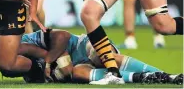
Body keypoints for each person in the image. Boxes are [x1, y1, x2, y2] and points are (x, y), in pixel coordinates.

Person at [20, 29, 183, 85]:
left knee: (99, 56)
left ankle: (168, 76)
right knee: (78, 74)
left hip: (83, 45)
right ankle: (146, 77)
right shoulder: (25, 70)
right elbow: (67, 71)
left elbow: (62, 36)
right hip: (78, 65)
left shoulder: (27, 40)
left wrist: (49, 63)